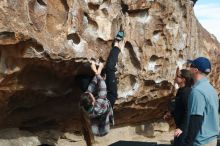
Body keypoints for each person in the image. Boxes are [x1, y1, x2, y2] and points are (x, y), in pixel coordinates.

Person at [182, 57, 219, 146]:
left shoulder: (197, 91)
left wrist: (188, 142)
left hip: (200, 142)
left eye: (191, 66)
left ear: (195, 70)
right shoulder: (211, 89)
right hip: (211, 139)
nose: (189, 68)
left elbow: (196, 119)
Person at [164, 69, 193, 146]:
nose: (175, 77)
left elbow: (188, 111)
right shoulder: (180, 90)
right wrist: (171, 113)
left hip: (184, 129)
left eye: (178, 76)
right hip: (179, 126)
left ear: (183, 79)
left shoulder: (187, 92)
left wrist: (182, 128)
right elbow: (179, 108)